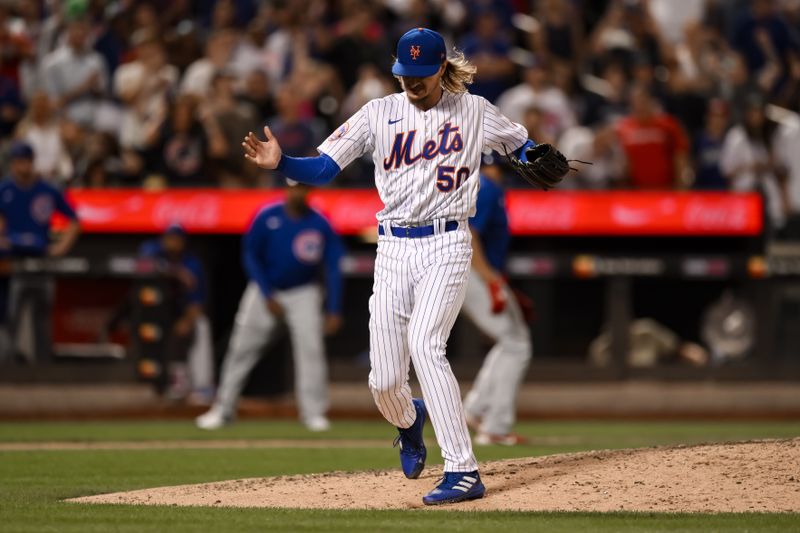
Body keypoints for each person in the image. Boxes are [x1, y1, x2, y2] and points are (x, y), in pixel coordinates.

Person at [242, 27, 536, 505]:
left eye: (421, 74)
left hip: (448, 241)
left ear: (441, 68)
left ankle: (463, 470)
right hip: (394, 249)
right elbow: (321, 169)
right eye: (405, 74)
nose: (412, 83)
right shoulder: (378, 113)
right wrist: (282, 163)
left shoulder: (474, 110)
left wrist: (536, 156)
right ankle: (408, 421)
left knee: (426, 344)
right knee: (383, 382)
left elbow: (519, 145)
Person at [196, 180, 343, 432]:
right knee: (240, 349)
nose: (299, 192)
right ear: (287, 188)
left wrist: (333, 308)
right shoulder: (267, 216)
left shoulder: (319, 222)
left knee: (311, 351)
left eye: (304, 188)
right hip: (265, 290)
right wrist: (266, 293)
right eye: (295, 187)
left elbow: (332, 267)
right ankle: (223, 408)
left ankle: (313, 413)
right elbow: (250, 256)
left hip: (304, 291)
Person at [461, 156, 532, 446]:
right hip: (472, 271)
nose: (502, 174)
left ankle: (477, 409)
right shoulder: (485, 186)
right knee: (516, 343)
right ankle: (494, 426)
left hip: (469, 271)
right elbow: (470, 233)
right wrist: (491, 281)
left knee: (511, 341)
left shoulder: (477, 185)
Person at [0, 141, 80, 362]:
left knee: (42, 318)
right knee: (10, 316)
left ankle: (43, 367)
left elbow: (74, 219)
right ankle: (7, 367)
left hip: (42, 259)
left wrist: (61, 247)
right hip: (14, 262)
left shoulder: (47, 189)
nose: (22, 167)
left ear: (32, 162)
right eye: (18, 162)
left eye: (25, 162)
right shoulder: (4, 189)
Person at [138, 224, 214, 403]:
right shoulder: (156, 253)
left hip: (187, 313)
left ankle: (202, 387)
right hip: (162, 314)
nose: (171, 242)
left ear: (183, 242)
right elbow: (142, 257)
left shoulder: (192, 264)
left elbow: (197, 301)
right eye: (168, 238)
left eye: (176, 239)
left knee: (200, 327)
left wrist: (187, 321)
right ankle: (172, 385)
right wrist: (176, 272)